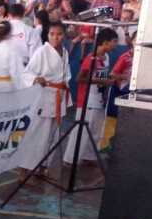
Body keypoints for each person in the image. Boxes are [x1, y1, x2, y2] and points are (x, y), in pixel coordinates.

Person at [18, 21, 70, 185]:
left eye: (59, 34)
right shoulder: (42, 51)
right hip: (45, 98)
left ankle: (43, 168)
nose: (55, 37)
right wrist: (35, 78)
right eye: (52, 34)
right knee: (36, 136)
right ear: (47, 35)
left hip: (58, 97)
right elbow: (26, 73)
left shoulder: (65, 52)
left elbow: (65, 76)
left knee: (51, 137)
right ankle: (24, 171)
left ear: (65, 36)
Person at [63, 28, 118, 166]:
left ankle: (89, 156)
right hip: (88, 100)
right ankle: (70, 159)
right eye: (114, 41)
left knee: (96, 130)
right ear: (105, 43)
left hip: (99, 99)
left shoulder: (106, 58)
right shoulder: (91, 58)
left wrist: (107, 80)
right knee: (81, 131)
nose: (116, 44)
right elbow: (79, 78)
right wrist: (102, 82)